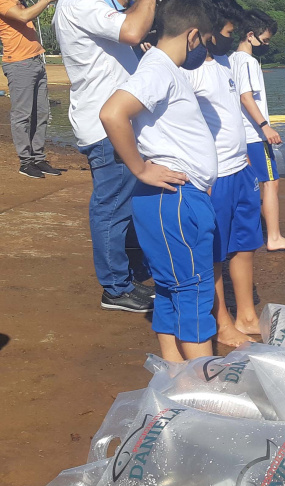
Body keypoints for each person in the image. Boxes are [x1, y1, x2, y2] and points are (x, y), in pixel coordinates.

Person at [99, 0, 219, 361]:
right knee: (195, 292)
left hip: (168, 198)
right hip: (175, 198)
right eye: (207, 42)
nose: (205, 51)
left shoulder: (158, 67)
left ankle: (176, 376)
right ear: (193, 35)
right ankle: (205, 382)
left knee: (171, 288)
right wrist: (140, 167)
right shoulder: (161, 70)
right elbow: (112, 112)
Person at [53, 0, 157, 312]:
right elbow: (133, 30)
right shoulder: (79, 2)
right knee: (111, 206)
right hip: (106, 126)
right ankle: (115, 288)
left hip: (112, 122)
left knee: (124, 204)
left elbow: (128, 20)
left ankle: (127, 277)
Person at [183, 0, 262, 347]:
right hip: (213, 177)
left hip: (241, 169)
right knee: (214, 252)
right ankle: (222, 319)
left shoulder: (226, 66)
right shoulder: (190, 70)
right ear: (208, 33)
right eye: (228, 32)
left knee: (244, 244)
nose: (231, 38)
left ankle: (246, 313)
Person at [230, 9, 285, 252]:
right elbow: (246, 97)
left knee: (245, 185)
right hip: (254, 135)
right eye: (266, 39)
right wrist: (265, 126)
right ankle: (273, 236)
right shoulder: (248, 61)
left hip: (239, 134)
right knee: (271, 182)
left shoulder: (230, 60)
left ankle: (245, 233)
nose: (267, 44)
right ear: (251, 36)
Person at [0, 0, 60, 179]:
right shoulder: (4, 2)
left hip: (35, 61)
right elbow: (24, 16)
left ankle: (38, 158)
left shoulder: (22, 3)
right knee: (22, 115)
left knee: (41, 113)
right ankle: (26, 162)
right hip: (19, 64)